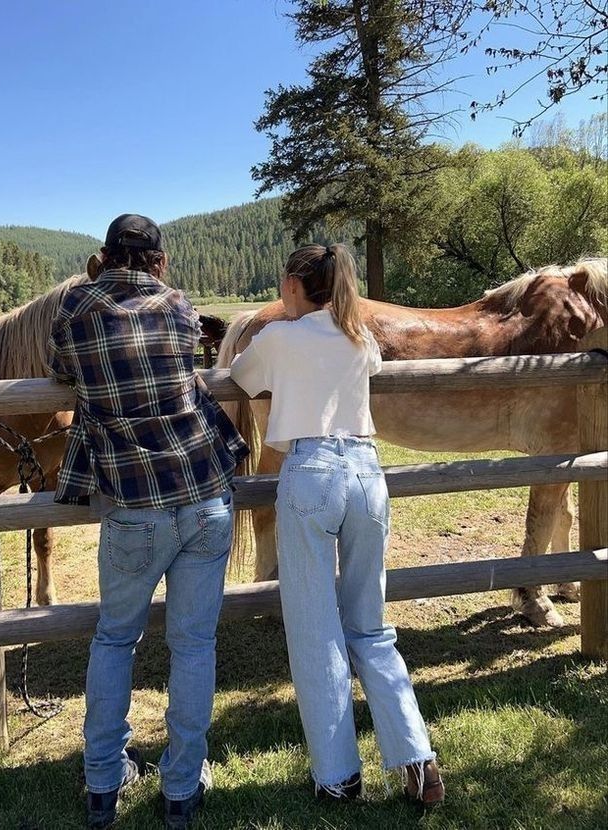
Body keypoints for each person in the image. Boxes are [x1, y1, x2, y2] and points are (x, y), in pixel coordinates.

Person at [47, 214, 248, 830]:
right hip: (204, 493)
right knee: (193, 645)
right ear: (158, 262)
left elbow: (61, 369)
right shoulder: (181, 307)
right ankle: (182, 787)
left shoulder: (76, 309)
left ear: (104, 258)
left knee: (114, 640)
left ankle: (103, 783)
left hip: (134, 507)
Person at [230, 243, 444, 806]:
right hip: (367, 475)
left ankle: (338, 776)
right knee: (371, 626)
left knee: (315, 631)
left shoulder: (278, 337)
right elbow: (368, 365)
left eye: (283, 284)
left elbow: (241, 378)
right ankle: (416, 756)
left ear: (296, 286)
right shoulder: (359, 338)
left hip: (312, 474)